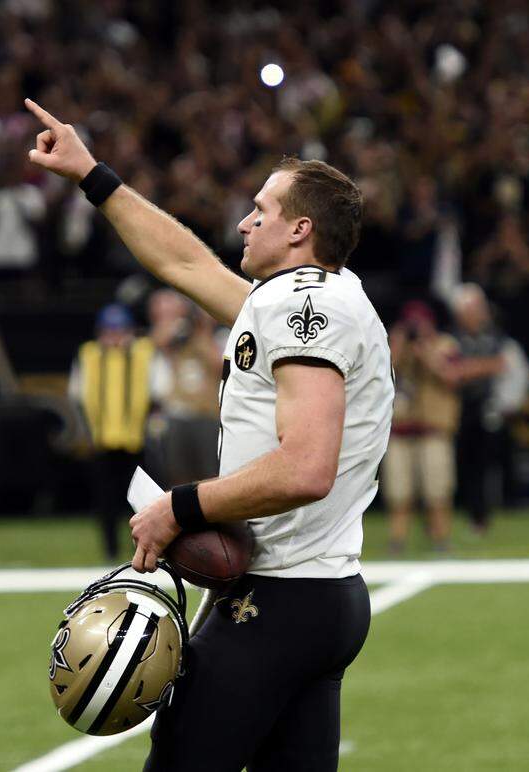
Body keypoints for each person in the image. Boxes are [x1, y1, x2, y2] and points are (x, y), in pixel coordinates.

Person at [27, 99, 392, 771]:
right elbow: (186, 266)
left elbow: (307, 466)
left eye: (262, 210)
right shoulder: (308, 295)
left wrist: (179, 507)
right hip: (321, 595)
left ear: (300, 229)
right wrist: (92, 175)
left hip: (279, 599)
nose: (243, 222)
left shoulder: (304, 306)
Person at [68, 303, 156, 560]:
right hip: (102, 439)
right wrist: (84, 430)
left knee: (142, 501)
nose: (115, 337)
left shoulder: (144, 352)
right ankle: (110, 550)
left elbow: (158, 390)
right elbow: (76, 395)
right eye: (110, 331)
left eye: (120, 330)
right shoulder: (89, 355)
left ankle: (143, 548)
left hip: (136, 439)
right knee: (105, 500)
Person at [383, 301, 461, 553]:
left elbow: (451, 376)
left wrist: (425, 352)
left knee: (437, 490)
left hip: (433, 428)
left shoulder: (445, 344)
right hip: (400, 429)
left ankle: (441, 540)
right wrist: (398, 345)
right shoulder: (394, 348)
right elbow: (382, 372)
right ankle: (397, 542)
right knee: (398, 492)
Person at [450, 283, 522, 533]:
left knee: (489, 462)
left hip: (488, 406)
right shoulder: (452, 338)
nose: (480, 313)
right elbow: (453, 372)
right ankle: (468, 514)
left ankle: (491, 512)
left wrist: (472, 369)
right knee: (463, 465)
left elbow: (504, 364)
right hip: (458, 408)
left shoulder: (494, 336)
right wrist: (484, 366)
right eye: (473, 308)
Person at [146, 289, 224, 487]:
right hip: (177, 415)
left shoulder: (220, 337)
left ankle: (215, 517)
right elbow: (158, 342)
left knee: (210, 474)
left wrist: (204, 328)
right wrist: (174, 315)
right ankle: (183, 515)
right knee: (178, 474)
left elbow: (218, 365)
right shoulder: (178, 338)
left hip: (207, 416)